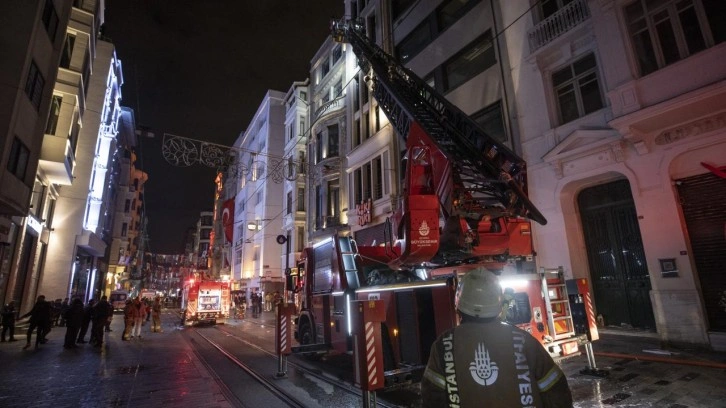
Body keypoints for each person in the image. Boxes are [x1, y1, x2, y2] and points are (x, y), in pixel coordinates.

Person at [420, 268, 573, 408]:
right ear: (499, 305)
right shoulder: (525, 341)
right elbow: (557, 392)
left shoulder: (444, 345)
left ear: (458, 305)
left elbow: (432, 398)